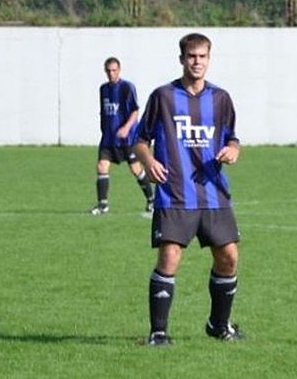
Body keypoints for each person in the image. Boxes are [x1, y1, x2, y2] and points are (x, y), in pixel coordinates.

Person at [133, 33, 244, 346]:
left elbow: (232, 138)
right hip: (175, 192)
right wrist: (149, 161)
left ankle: (219, 326)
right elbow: (140, 141)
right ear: (181, 59)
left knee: (229, 258)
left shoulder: (221, 98)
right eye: (192, 57)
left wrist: (234, 150)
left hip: (214, 193)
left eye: (203, 57)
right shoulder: (164, 97)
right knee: (169, 258)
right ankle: (158, 332)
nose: (197, 62)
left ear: (209, 59)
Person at [90, 57, 154, 215]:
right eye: (108, 71)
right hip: (108, 138)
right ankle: (102, 204)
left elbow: (135, 110)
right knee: (101, 166)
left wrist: (126, 128)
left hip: (127, 139)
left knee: (136, 169)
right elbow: (104, 112)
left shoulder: (127, 87)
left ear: (119, 70)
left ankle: (151, 200)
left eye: (114, 70)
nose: (111, 74)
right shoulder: (103, 89)